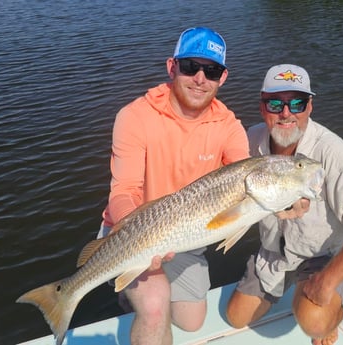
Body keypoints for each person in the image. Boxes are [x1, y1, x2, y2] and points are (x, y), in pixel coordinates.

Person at [98, 27, 250, 345]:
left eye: (211, 70)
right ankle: (135, 294)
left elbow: (244, 175)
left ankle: (135, 291)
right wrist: (138, 237)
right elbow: (123, 191)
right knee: (155, 307)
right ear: (171, 67)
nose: (200, 78)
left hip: (184, 236)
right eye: (190, 66)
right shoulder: (135, 117)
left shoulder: (230, 127)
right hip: (130, 230)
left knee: (191, 323)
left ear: (223, 77)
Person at [225, 64, 343, 345]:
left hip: (321, 257)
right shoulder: (247, 142)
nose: (286, 113)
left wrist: (327, 281)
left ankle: (333, 314)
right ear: (262, 107)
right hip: (272, 254)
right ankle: (285, 283)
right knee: (236, 318)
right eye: (276, 103)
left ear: (310, 106)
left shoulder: (334, 153)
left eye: (297, 103)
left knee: (314, 323)